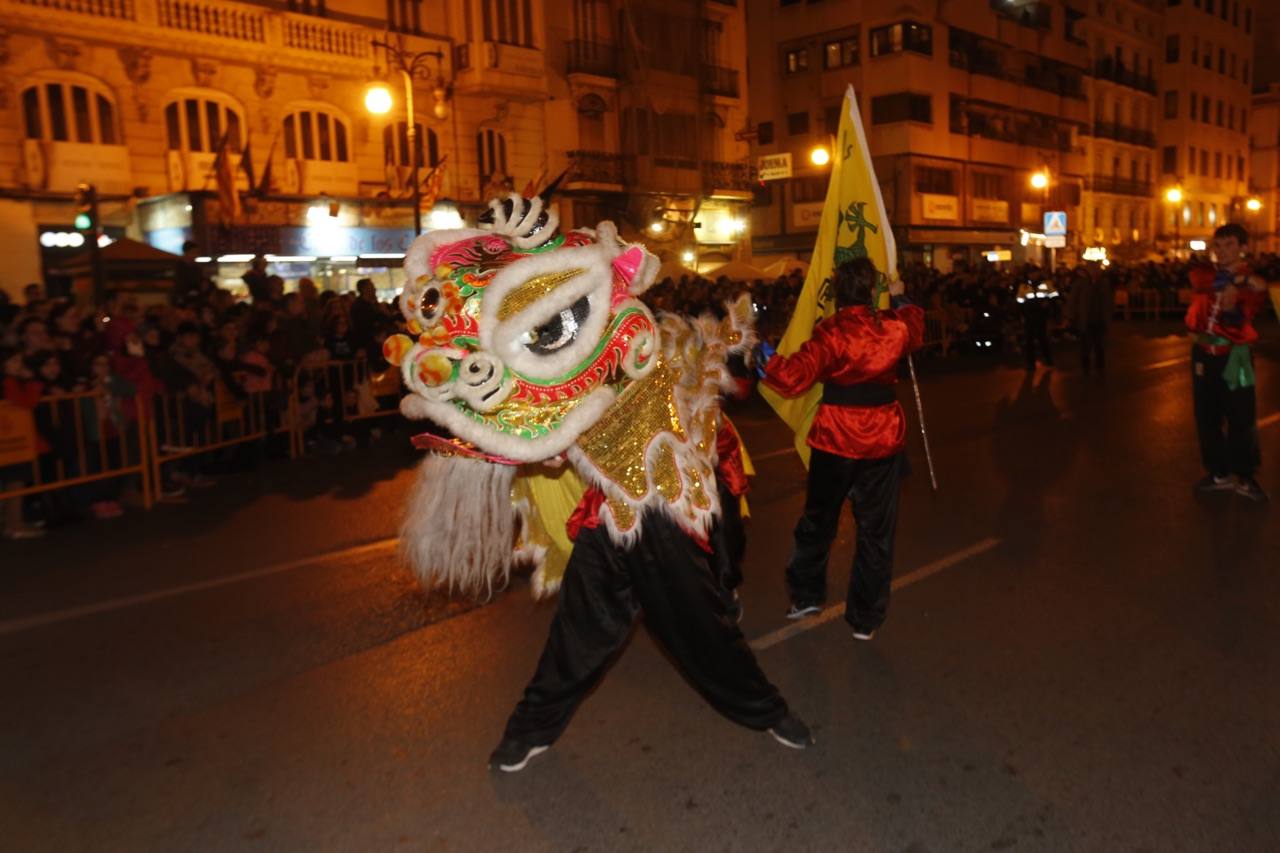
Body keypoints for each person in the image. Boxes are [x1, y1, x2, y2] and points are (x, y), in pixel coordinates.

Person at [760, 257, 924, 640]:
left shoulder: (830, 331)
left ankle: (806, 596)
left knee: (819, 520)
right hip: (882, 438)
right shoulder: (893, 326)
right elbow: (916, 327)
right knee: (876, 531)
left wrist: (765, 359)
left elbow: (793, 377)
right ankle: (866, 618)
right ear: (870, 290)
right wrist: (901, 298)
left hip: (836, 436)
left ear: (837, 291)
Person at [1186, 223, 1269, 502]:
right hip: (1202, 354)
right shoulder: (1207, 274)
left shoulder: (1253, 282)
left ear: (1244, 248)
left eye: (1230, 245)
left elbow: (1240, 317)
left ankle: (1245, 475)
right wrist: (1237, 282)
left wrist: (1238, 293)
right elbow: (1199, 281)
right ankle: (1219, 472)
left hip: (1235, 356)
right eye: (1218, 245)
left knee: (1240, 418)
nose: (1222, 251)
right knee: (1206, 417)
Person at [1067, 263, 1111, 376]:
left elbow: (1108, 302)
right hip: (1086, 319)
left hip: (1099, 319)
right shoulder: (1081, 284)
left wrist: (1107, 318)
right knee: (1085, 346)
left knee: (1100, 345)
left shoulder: (1103, 284)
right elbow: (1073, 300)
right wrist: (1071, 316)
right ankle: (1085, 367)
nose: (1095, 272)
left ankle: (1100, 367)